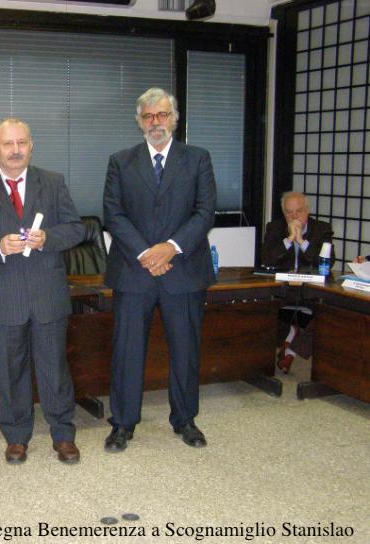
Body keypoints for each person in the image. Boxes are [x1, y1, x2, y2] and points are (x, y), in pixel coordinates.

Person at [0, 117, 85, 465]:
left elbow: (76, 228)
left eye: (21, 143)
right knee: (10, 371)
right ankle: (16, 436)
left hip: (48, 294)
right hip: (6, 295)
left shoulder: (53, 182)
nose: (15, 150)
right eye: (8, 144)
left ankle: (63, 434)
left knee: (54, 368)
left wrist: (49, 238)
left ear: (31, 146)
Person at [102, 87, 216, 451]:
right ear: (139, 121)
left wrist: (170, 248)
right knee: (127, 351)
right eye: (148, 116)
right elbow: (113, 214)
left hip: (183, 270)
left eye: (162, 114)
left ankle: (185, 419)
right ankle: (122, 423)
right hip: (133, 271)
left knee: (185, 350)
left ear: (174, 119)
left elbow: (205, 212)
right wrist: (145, 253)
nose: (156, 122)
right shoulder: (121, 161)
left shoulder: (197, 159)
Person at [260, 192, 334, 373]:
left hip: (311, 289)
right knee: (260, 310)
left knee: (327, 316)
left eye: (299, 211)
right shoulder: (275, 228)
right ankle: (289, 337)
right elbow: (266, 259)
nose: (294, 216)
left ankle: (290, 351)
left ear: (307, 210)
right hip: (283, 289)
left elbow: (328, 261)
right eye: (289, 212)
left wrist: (301, 241)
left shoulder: (322, 229)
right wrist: (288, 240)